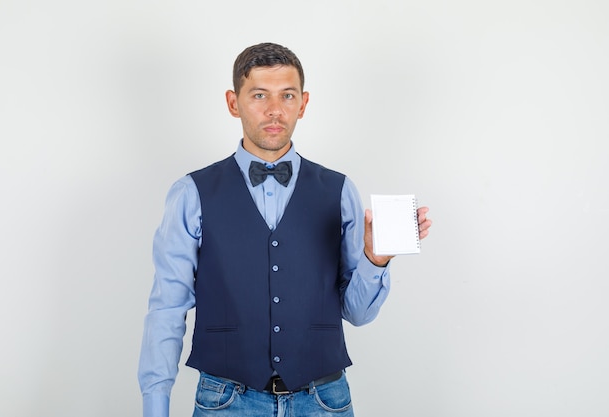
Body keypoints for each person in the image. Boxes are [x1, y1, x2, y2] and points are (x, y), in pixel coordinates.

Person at [138, 42, 432, 417]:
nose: (274, 110)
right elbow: (167, 307)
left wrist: (375, 260)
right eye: (259, 95)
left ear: (303, 103)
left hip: (324, 401)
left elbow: (357, 313)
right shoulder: (190, 194)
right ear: (233, 102)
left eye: (287, 96)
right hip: (225, 401)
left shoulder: (340, 191)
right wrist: (155, 406)